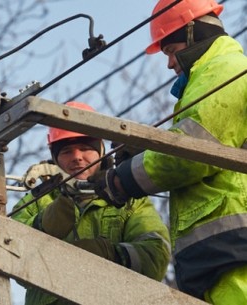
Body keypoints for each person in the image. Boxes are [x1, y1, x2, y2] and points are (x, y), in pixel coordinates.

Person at [88, 0, 247, 304]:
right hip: (222, 251)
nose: (170, 64)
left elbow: (194, 152)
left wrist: (121, 181)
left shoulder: (223, 69)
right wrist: (149, 146)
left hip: (234, 247)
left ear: (191, 32)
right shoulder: (210, 75)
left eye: (171, 51)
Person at [11, 101, 171, 305]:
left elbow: (156, 254)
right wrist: (47, 222)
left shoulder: (130, 201)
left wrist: (112, 255)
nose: (77, 157)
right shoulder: (36, 201)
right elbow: (12, 253)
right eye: (67, 151)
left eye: (85, 148)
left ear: (101, 151)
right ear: (55, 158)